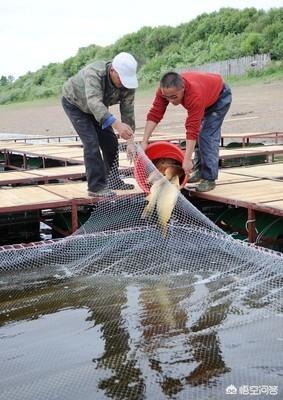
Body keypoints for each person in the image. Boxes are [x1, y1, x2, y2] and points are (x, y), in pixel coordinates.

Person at [62, 52, 138, 196]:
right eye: (121, 79)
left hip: (98, 109)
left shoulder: (128, 85)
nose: (123, 83)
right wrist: (117, 125)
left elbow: (128, 111)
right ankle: (95, 187)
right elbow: (93, 102)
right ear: (113, 70)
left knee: (110, 141)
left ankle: (113, 180)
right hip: (75, 104)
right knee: (91, 142)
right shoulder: (95, 73)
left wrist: (130, 140)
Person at [141, 71, 232, 192]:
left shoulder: (194, 96)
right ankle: (199, 170)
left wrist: (187, 159)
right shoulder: (164, 91)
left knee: (206, 135)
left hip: (219, 97)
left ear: (183, 88)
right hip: (205, 93)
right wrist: (144, 141)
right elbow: (155, 113)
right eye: (166, 97)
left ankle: (209, 178)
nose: (171, 101)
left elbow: (192, 128)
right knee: (200, 134)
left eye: (174, 97)